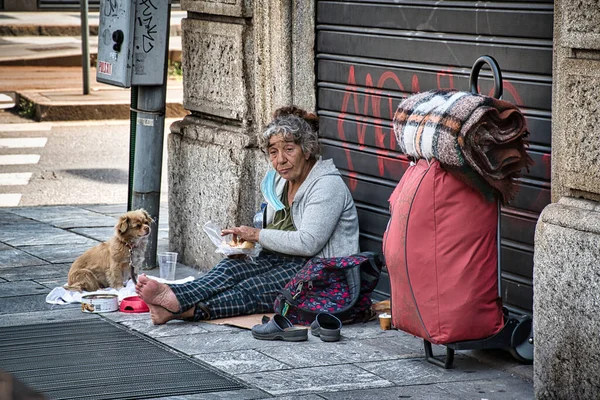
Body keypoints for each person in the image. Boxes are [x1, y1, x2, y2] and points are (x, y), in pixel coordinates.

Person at [135, 106, 360, 324]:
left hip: (322, 274)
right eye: (273, 152)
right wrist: (246, 245)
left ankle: (177, 308)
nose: (280, 160)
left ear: (307, 149)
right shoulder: (280, 181)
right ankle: (173, 297)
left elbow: (308, 243)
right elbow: (270, 231)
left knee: (253, 287)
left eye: (289, 150)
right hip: (283, 260)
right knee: (231, 268)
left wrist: (255, 234)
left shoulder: (327, 185)